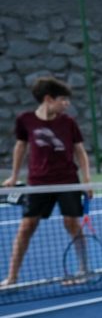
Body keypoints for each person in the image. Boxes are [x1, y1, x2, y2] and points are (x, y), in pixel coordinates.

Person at [2, 76, 93, 287]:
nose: (67, 104)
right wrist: (14, 176)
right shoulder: (25, 120)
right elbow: (20, 147)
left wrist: (86, 181)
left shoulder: (68, 122)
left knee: (72, 224)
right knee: (26, 227)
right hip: (38, 183)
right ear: (48, 99)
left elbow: (80, 151)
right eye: (63, 99)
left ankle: (83, 270)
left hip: (68, 181)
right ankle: (12, 277)